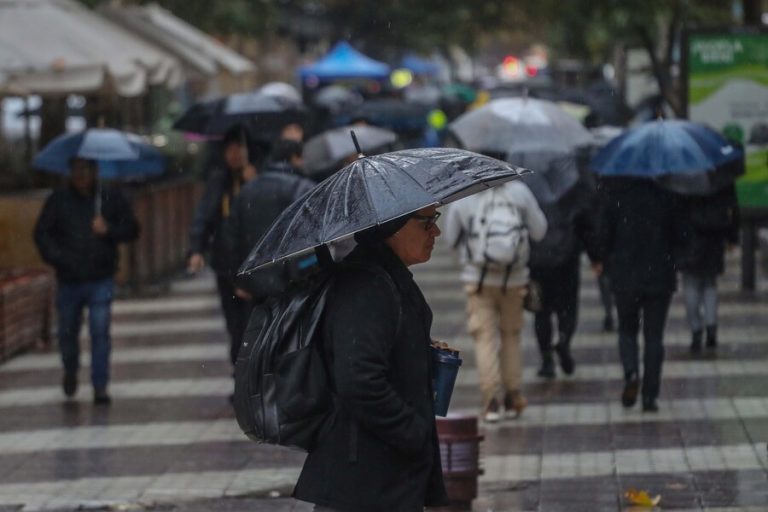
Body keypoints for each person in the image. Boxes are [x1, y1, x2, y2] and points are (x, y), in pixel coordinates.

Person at [293, 206, 449, 511]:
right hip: (367, 479)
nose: (436, 232)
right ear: (393, 227)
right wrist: (413, 432)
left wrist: (419, 349)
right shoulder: (368, 285)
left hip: (380, 476)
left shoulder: (384, 275)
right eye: (427, 222)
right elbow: (358, 379)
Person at [34, 157, 139, 404]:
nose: (81, 175)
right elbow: (41, 234)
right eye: (77, 169)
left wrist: (108, 230)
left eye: (86, 169)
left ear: (95, 171)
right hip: (69, 278)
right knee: (67, 333)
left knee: (100, 332)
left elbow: (132, 229)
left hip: (100, 277)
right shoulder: (58, 200)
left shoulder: (108, 198)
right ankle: (70, 369)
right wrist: (58, 258)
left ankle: (100, 385)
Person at [444, 181, 547, 422]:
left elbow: (450, 238)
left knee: (485, 338)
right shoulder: (520, 191)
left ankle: (491, 401)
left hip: (478, 281)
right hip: (514, 280)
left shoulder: (466, 194)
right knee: (511, 336)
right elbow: (539, 231)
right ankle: (513, 396)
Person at [597, 177, 683, 412]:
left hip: (625, 277)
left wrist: (604, 260)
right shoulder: (668, 196)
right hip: (659, 276)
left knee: (627, 329)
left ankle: (631, 372)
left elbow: (603, 235)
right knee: (654, 337)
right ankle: (650, 395)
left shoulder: (616, 196)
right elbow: (682, 236)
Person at [187, 126, 258, 371]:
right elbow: (203, 216)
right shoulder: (219, 181)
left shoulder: (258, 178)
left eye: (239, 149)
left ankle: (251, 375)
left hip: (254, 264)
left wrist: (254, 184)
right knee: (235, 325)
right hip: (226, 266)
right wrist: (196, 249)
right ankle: (240, 374)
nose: (235, 155)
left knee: (254, 324)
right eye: (230, 150)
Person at [224, 142, 315, 305]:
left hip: (255, 281)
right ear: (294, 158)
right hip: (293, 281)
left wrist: (237, 280)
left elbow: (231, 239)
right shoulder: (301, 187)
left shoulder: (247, 190)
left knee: (258, 328)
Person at [529, 183, 600, 379]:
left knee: (541, 312)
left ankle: (546, 360)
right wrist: (595, 256)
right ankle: (564, 340)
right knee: (567, 308)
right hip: (566, 259)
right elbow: (585, 224)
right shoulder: (573, 189)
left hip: (538, 261)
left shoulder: (530, 189)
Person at [678, 184, 739, 353]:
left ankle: (696, 328)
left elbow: (675, 209)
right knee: (710, 284)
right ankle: (711, 326)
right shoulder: (720, 176)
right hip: (714, 238)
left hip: (690, 239)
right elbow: (732, 207)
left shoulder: (683, 177)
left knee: (691, 284)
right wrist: (732, 237)